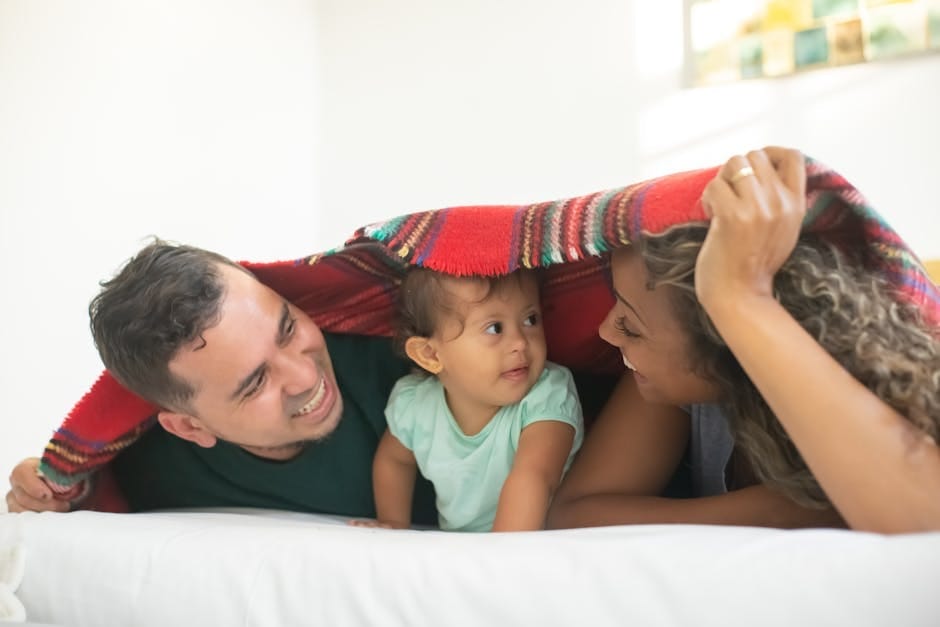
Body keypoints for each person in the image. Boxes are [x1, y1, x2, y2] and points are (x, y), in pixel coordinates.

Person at [547, 147, 940, 535]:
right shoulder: (676, 386)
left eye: (631, 325)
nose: (605, 332)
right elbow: (573, 515)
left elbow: (925, 521)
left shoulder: (873, 386)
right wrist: (781, 512)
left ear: (725, 343)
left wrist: (739, 295)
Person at [5, 239, 439, 521]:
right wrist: (55, 490)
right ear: (190, 427)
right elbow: (80, 490)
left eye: (287, 328)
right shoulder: (155, 473)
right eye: (254, 383)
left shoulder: (417, 357)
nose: (306, 376)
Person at [354, 268, 584, 531]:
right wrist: (393, 524)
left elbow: (534, 478)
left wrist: (495, 563)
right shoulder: (416, 405)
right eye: (495, 328)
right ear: (430, 354)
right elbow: (394, 460)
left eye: (531, 319)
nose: (520, 342)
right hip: (463, 553)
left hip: (533, 550)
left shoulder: (548, 395)